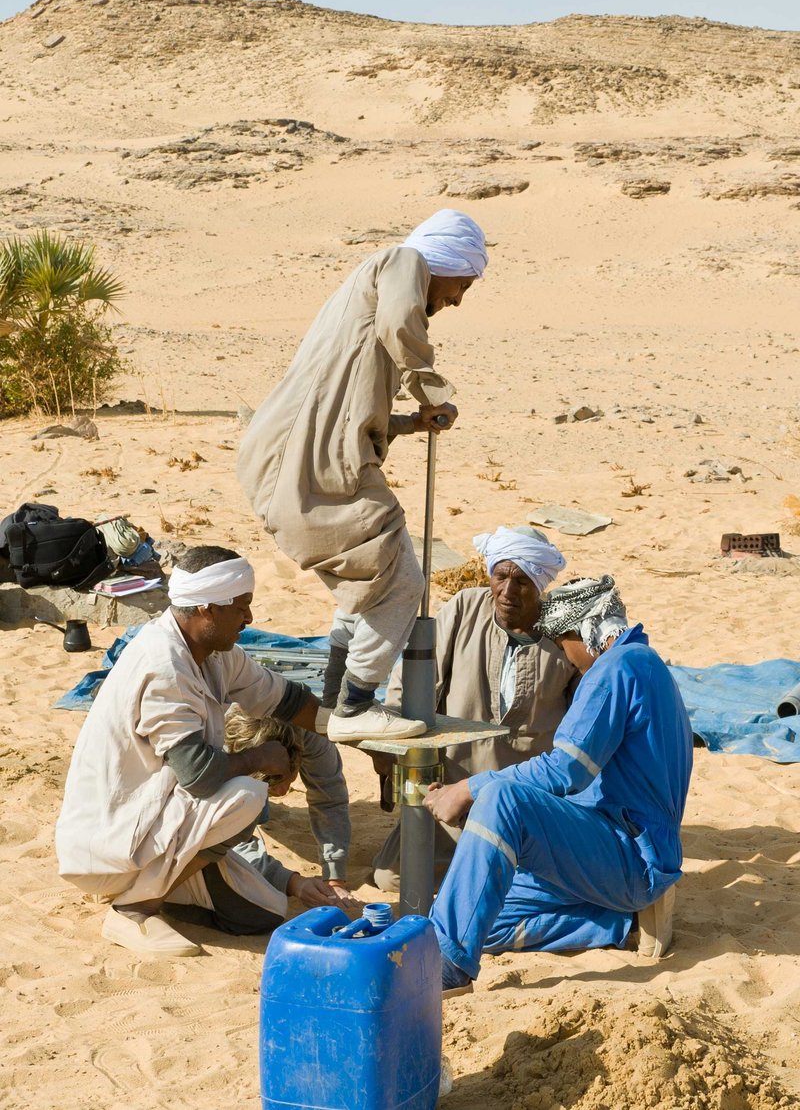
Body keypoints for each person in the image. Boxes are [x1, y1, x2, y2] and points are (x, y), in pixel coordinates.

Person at [237, 209, 488, 743]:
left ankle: (334, 698)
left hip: (301, 457)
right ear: (444, 263)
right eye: (462, 284)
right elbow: (402, 325)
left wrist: (408, 422)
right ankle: (356, 705)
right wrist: (433, 391)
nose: (457, 300)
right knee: (402, 581)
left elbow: (347, 402)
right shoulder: (404, 262)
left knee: (368, 579)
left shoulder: (373, 292)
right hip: (307, 464)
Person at [55, 546, 356, 959]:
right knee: (247, 794)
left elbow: (283, 699)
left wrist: (350, 728)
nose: (249, 619)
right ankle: (133, 908)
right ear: (206, 609)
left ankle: (159, 887)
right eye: (241, 607)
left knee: (264, 912)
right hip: (113, 836)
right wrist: (259, 758)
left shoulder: (214, 654)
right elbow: (198, 774)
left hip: (159, 823)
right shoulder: (164, 666)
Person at [423, 576, 693, 992]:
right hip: (618, 851)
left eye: (561, 643)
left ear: (582, 631)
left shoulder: (615, 668)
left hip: (630, 854)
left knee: (501, 799)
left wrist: (468, 788)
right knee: (473, 915)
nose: (563, 656)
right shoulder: (645, 663)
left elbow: (566, 771)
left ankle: (446, 970)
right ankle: (624, 923)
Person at [371, 525, 577, 890]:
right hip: (452, 791)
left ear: (540, 584)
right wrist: (393, 740)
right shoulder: (467, 608)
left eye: (522, 582)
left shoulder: (563, 634)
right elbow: (416, 682)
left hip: (523, 800)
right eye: (501, 577)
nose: (507, 592)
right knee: (392, 878)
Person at [223, 706, 352, 894]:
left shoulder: (311, 730)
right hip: (228, 755)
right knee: (255, 811)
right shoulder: (215, 746)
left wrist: (335, 878)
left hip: (291, 726)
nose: (284, 792)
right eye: (275, 786)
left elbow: (330, 799)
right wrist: (292, 882)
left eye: (289, 780)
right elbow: (230, 844)